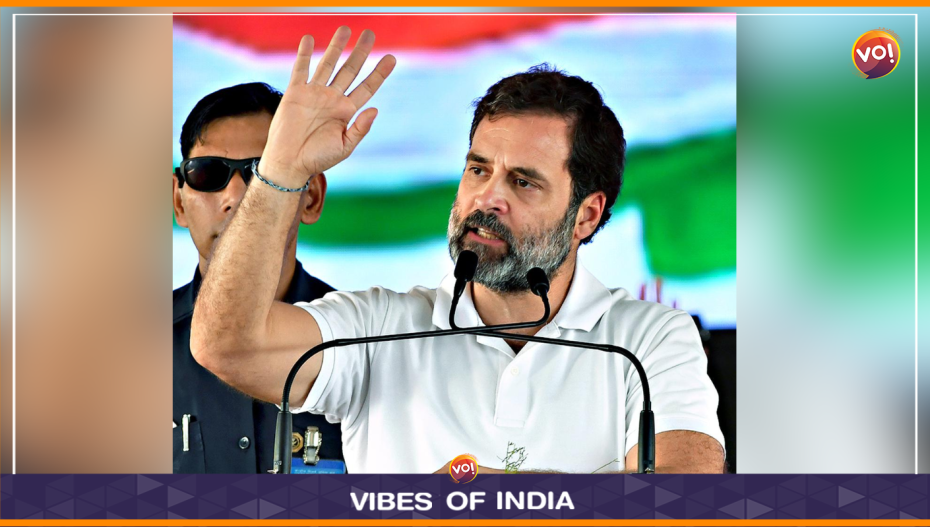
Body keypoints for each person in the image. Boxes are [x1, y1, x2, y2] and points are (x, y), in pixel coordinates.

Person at [191, 27, 725, 473]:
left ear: (586, 215)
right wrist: (281, 170)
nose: (487, 198)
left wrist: (497, 498)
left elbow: (686, 499)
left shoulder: (648, 338)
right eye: (478, 170)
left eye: (523, 182)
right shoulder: (379, 327)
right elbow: (227, 345)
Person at [173, 82, 343, 473]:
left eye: (263, 173)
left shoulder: (365, 344)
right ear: (179, 201)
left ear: (311, 197)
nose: (235, 197)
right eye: (207, 173)